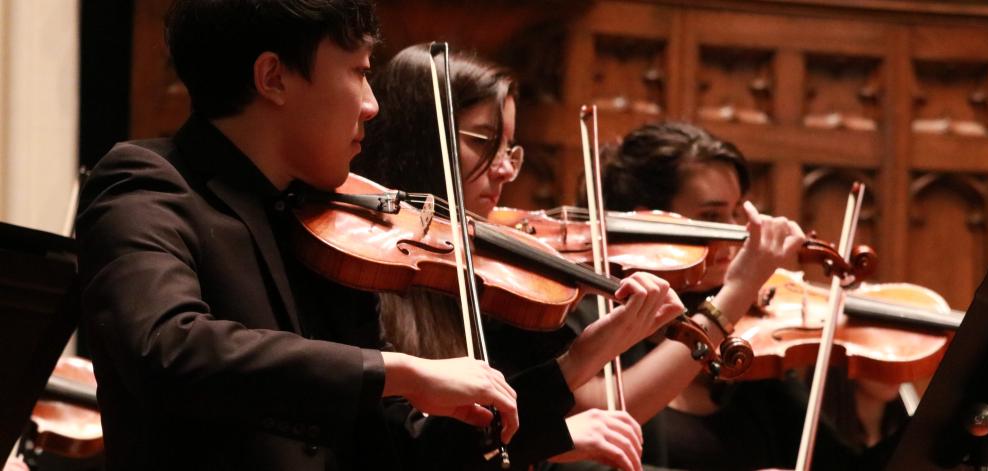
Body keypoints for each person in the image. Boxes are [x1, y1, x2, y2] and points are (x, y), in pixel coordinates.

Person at [77, 1, 533, 469]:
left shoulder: (327, 225)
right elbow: (166, 349)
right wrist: (398, 371)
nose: (373, 105)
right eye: (358, 71)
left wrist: (567, 372)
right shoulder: (148, 183)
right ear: (273, 77)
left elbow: (400, 442)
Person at [354, 45, 803, 469]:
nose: (506, 168)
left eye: (510, 149)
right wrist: (732, 297)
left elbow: (490, 442)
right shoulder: (364, 271)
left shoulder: (486, 281)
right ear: (419, 141)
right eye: (485, 141)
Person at [597, 121, 907, 470]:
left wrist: (947, 419)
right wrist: (738, 289)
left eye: (735, 213)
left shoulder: (748, 346)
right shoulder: (599, 331)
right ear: (649, 221)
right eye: (711, 216)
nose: (735, 236)